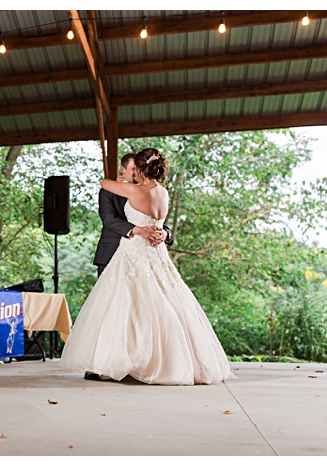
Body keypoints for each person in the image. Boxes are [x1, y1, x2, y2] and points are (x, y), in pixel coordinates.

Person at [64, 148, 233, 386]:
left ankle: (136, 362)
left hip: (135, 252)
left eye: (136, 169)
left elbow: (104, 182)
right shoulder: (163, 193)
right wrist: (153, 230)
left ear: (141, 169)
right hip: (151, 252)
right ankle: (141, 360)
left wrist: (155, 230)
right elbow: (114, 220)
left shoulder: (132, 189)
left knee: (125, 306)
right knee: (158, 304)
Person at [93, 153, 170, 275]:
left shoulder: (152, 192)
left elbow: (156, 221)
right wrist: (138, 230)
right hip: (110, 253)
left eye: (139, 168)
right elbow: (109, 220)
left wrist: (165, 233)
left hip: (145, 256)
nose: (137, 172)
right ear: (123, 170)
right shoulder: (108, 192)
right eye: (133, 168)